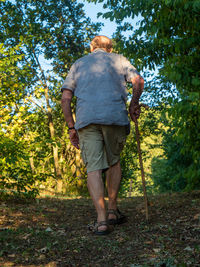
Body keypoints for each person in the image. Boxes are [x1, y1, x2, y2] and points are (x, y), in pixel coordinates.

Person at [61, 36, 144, 235]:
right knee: (114, 162)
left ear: (92, 48)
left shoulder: (79, 64)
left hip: (87, 120)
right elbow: (138, 81)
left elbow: (65, 99)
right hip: (114, 117)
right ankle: (113, 211)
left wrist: (71, 127)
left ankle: (101, 221)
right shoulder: (119, 60)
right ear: (110, 48)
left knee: (93, 168)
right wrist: (134, 104)